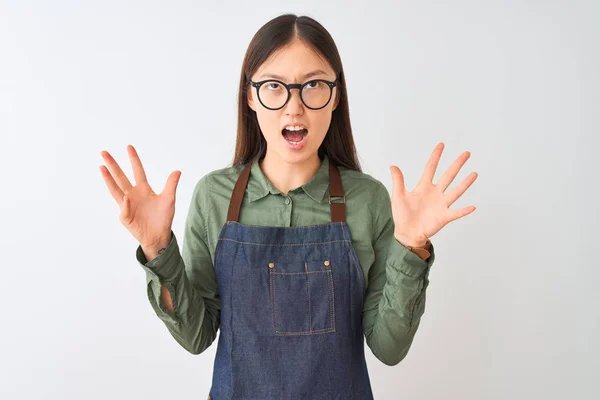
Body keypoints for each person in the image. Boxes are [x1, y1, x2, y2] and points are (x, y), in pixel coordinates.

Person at [99, 13, 477, 400]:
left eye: (313, 85)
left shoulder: (369, 200)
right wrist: (157, 249)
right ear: (250, 95)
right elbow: (196, 336)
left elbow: (389, 348)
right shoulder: (214, 196)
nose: (294, 107)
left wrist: (412, 246)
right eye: (275, 86)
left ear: (335, 95)